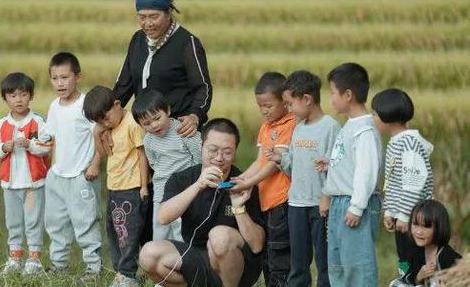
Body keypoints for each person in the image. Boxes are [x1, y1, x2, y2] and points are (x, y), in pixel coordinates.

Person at [140, 118, 265, 287]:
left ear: (235, 151)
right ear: (201, 147)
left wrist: (238, 207)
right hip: (197, 255)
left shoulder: (243, 183)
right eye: (213, 150)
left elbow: (257, 246)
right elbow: (163, 217)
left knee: (219, 236)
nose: (219, 158)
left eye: (227, 152)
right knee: (149, 254)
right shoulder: (182, 178)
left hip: (238, 266)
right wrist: (198, 185)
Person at [265, 70, 340, 287]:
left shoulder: (331, 128)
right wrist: (281, 159)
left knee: (324, 260)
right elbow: (293, 168)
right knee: (298, 261)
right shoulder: (298, 129)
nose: (288, 109)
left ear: (307, 99)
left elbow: (338, 167)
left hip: (321, 206)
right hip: (296, 204)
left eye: (289, 104)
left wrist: (327, 195)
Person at [113, 0, 213, 138]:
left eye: (154, 16)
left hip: (180, 132)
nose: (148, 23)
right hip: (147, 130)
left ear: (169, 13)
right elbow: (124, 85)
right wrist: (106, 116)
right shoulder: (138, 40)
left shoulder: (187, 43)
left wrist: (195, 116)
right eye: (142, 17)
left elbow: (203, 87)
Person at [320, 62, 383, 287]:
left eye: (333, 93)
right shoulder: (349, 125)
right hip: (340, 203)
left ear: (348, 94)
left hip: (354, 205)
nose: (331, 99)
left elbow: (366, 171)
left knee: (357, 267)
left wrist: (356, 207)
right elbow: (351, 163)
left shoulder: (364, 130)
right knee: (338, 266)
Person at [232, 72, 297, 287]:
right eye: (260, 106)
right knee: (269, 253)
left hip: (282, 201)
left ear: (285, 103)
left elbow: (273, 164)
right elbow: (259, 161)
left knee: (280, 252)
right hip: (266, 201)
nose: (264, 110)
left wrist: (248, 183)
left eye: (268, 105)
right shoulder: (266, 127)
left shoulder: (289, 124)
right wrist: (240, 178)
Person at [42, 52, 103, 280]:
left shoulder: (86, 105)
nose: (60, 83)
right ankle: (59, 264)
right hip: (58, 174)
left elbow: (101, 135)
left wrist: (95, 165)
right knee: (55, 223)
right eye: (55, 78)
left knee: (85, 221)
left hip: (81, 175)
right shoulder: (54, 106)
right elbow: (52, 137)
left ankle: (93, 267)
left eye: (65, 77)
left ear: (77, 77)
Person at [84, 85, 151, 287]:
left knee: (128, 233)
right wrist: (98, 133)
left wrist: (143, 186)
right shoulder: (108, 127)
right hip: (115, 187)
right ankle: (121, 272)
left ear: (117, 104)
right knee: (114, 230)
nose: (104, 123)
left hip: (131, 187)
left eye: (105, 117)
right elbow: (103, 153)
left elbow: (142, 155)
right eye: (99, 121)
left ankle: (128, 274)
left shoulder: (132, 123)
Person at [0, 72, 51, 275]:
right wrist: (4, 148)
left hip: (33, 184)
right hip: (10, 184)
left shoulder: (38, 121)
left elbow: (47, 145)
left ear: (31, 96)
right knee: (13, 222)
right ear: (5, 98)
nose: (18, 100)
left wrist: (30, 144)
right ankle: (14, 258)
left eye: (23, 94)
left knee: (33, 221)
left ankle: (34, 259)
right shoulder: (2, 124)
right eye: (13, 95)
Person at [371, 88, 434, 283]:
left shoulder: (409, 144)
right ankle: (406, 282)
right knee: (405, 259)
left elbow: (413, 183)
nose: (372, 118)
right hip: (404, 217)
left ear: (387, 116)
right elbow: (394, 183)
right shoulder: (397, 141)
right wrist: (390, 211)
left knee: (417, 260)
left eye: (374, 114)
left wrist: (405, 214)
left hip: (415, 219)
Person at [131, 89, 202, 241]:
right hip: (161, 192)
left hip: (184, 191)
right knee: (160, 231)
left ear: (168, 110)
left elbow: (200, 158)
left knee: (181, 232)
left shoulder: (184, 131)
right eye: (147, 123)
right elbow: (154, 163)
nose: (154, 126)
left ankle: (182, 262)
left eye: (157, 118)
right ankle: (160, 261)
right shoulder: (148, 141)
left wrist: (193, 182)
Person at [392, 200, 462, 286]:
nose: (419, 232)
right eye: (415, 224)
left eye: (426, 226)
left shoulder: (448, 256)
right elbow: (409, 280)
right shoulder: (414, 252)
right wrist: (419, 277)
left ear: (439, 228)